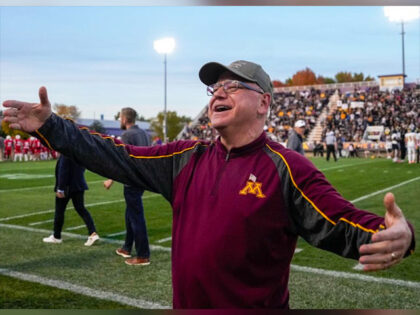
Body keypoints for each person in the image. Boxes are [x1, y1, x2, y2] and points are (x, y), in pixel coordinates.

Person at [3, 60, 415, 309]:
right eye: (214, 87)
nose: (218, 92)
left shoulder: (287, 168)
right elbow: (116, 156)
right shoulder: (185, 158)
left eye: (232, 86)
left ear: (265, 102)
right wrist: (52, 127)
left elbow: (339, 222)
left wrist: (398, 233)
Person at [103, 107, 152, 266]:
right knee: (130, 212)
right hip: (142, 179)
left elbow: (121, 160)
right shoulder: (145, 133)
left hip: (132, 180)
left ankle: (143, 254)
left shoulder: (127, 135)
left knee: (136, 216)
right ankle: (126, 247)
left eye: (120, 118)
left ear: (124, 119)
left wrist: (111, 179)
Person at [42, 153, 100, 246]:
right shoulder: (79, 153)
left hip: (67, 187)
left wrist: (60, 188)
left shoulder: (66, 153)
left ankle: (56, 236)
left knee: (59, 211)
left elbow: (63, 170)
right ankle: (93, 233)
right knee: (81, 209)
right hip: (79, 185)